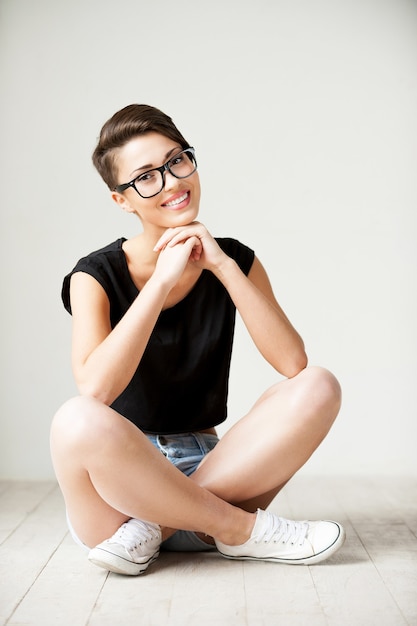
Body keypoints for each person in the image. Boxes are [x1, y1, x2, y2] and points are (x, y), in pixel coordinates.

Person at [50, 103, 345, 576]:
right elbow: (98, 390)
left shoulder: (234, 261)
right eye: (146, 176)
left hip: (216, 473)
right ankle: (241, 530)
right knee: (75, 419)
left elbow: (293, 364)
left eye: (177, 161)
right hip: (117, 499)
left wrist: (223, 267)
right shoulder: (95, 275)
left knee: (320, 385)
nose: (171, 183)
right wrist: (161, 282)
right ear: (121, 200)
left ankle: (159, 527)